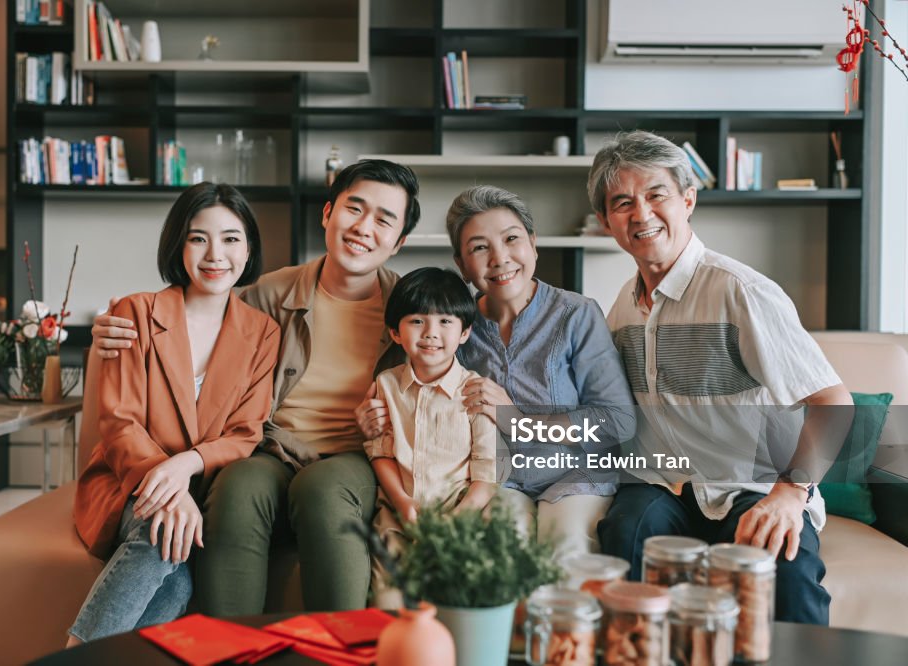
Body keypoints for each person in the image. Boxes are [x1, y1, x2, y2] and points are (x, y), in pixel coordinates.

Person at [90, 159, 421, 615]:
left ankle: (337, 651)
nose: (364, 227)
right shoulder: (269, 294)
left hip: (352, 456)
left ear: (400, 241)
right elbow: (199, 305)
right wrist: (111, 330)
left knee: (323, 490)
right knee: (238, 486)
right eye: (355, 209)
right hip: (271, 449)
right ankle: (230, 648)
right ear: (327, 214)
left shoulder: (411, 308)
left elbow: (446, 367)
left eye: (384, 220)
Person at [589, 130, 853, 625]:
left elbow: (833, 401)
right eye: (622, 203)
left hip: (750, 487)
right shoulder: (623, 307)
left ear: (688, 199)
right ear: (607, 222)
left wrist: (790, 495)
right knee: (625, 537)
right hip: (662, 485)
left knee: (783, 573)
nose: (640, 214)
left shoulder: (741, 292)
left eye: (656, 194)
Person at [359, 185, 636, 563]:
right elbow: (398, 374)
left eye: (511, 239)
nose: (500, 258)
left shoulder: (576, 314)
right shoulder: (455, 324)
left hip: (576, 476)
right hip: (497, 480)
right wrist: (371, 413)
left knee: (566, 547)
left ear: (533, 244)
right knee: (499, 552)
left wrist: (521, 421)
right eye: (479, 247)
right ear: (462, 264)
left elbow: (617, 422)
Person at [69, 183, 279, 644]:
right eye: (197, 237)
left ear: (248, 248)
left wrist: (186, 466)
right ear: (178, 245)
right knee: (159, 531)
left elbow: (246, 432)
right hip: (128, 482)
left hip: (203, 489)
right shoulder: (135, 312)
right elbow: (119, 421)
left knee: (180, 580)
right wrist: (167, 488)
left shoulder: (263, 332)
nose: (214, 254)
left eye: (230, 238)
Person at [364, 267, 498, 604]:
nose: (430, 333)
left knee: (453, 600)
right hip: (399, 516)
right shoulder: (386, 385)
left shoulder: (475, 391)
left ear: (465, 332)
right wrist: (401, 501)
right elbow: (380, 451)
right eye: (417, 321)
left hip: (459, 516)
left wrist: (457, 521)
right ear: (395, 332)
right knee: (389, 604)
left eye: (445, 322)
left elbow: (487, 471)